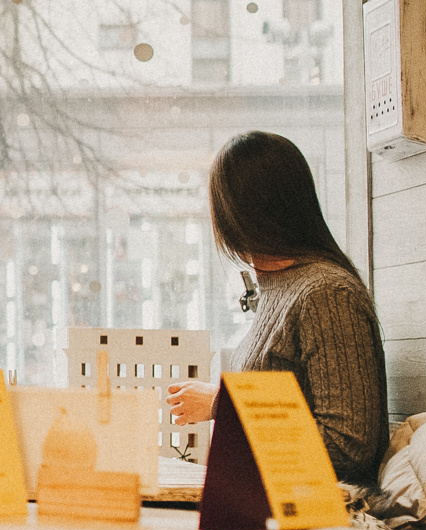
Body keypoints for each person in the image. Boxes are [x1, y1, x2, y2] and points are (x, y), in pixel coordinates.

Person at [162, 130, 387, 485]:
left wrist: (221, 406)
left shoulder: (326, 294)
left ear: (237, 214)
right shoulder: (278, 288)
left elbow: (348, 447)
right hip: (271, 502)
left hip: (316, 516)